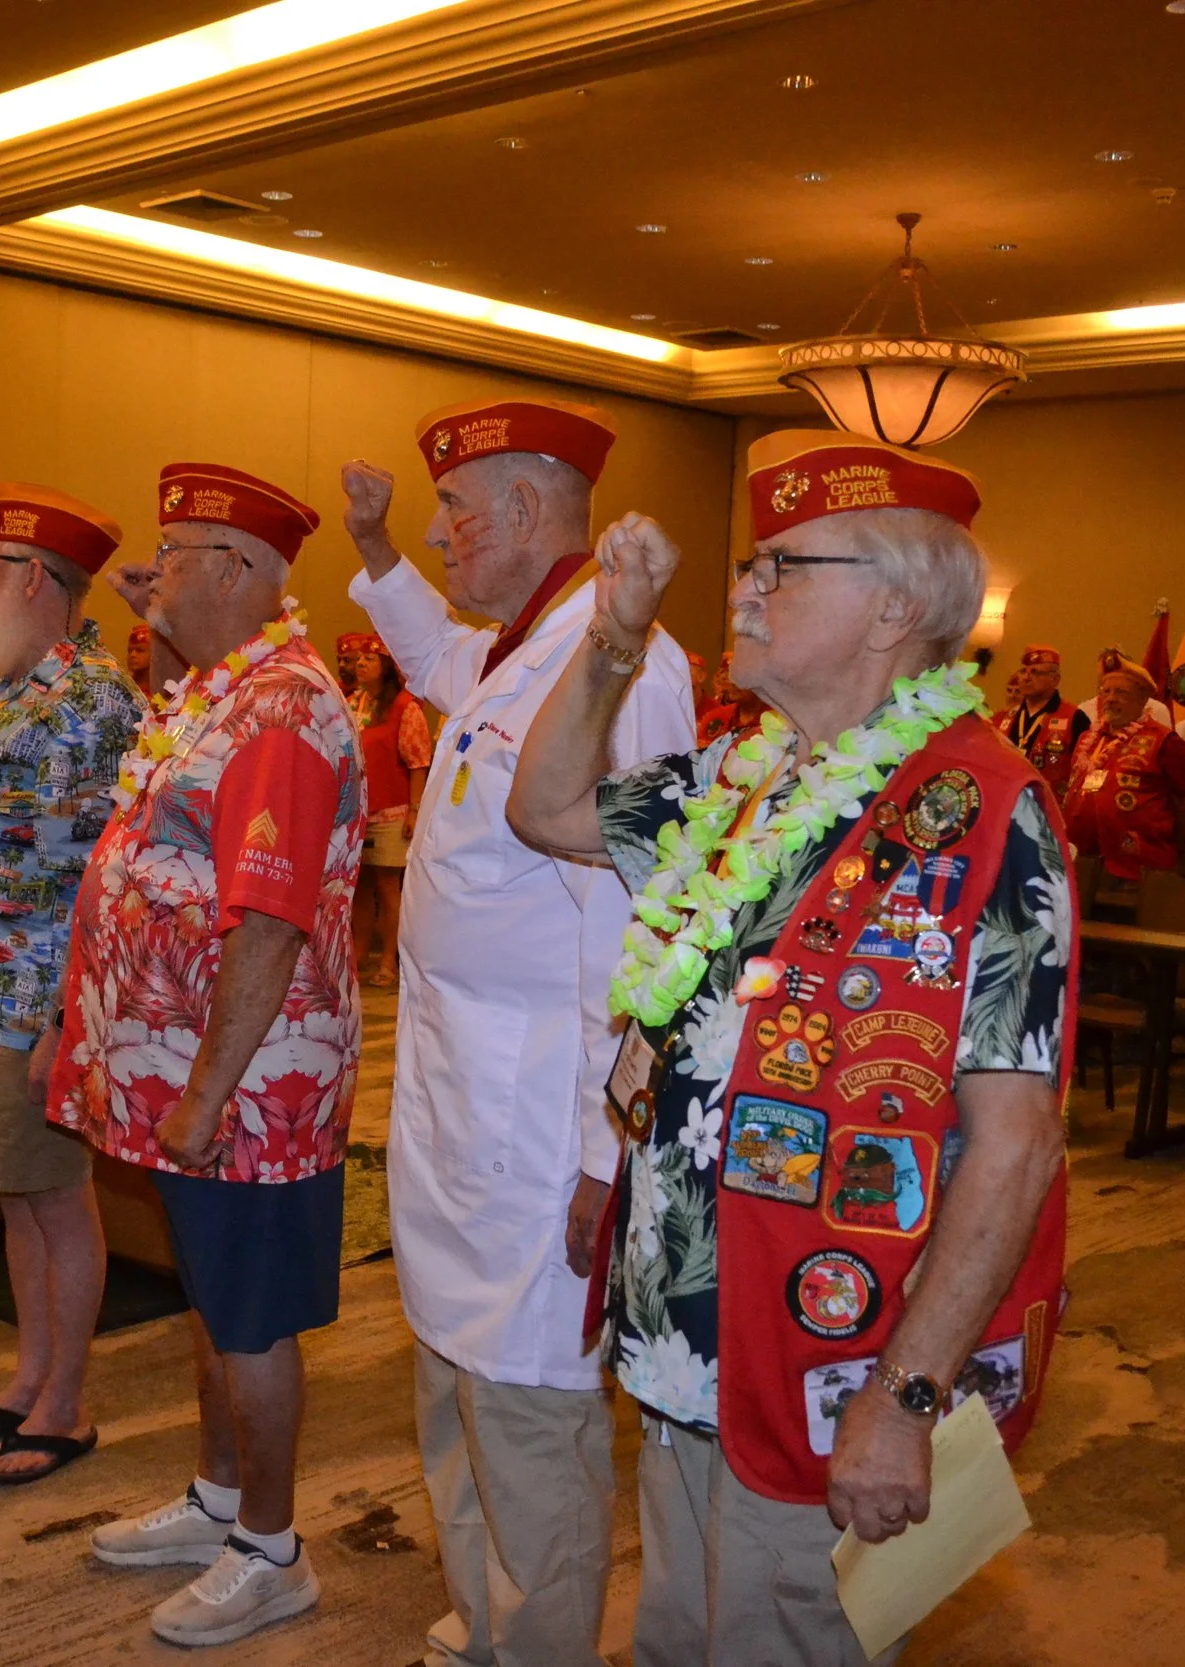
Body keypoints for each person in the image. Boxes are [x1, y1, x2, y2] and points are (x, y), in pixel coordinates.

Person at [506, 428, 1075, 1667]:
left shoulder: (982, 811)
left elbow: (1017, 1143)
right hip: (684, 1341)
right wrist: (611, 640)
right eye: (749, 565)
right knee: (678, 1637)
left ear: (893, 609)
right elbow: (543, 806)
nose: (743, 591)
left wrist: (906, 1395)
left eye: (782, 566)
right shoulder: (742, 775)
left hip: (831, 1359)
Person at [341, 397, 696, 1667]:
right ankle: (484, 1624)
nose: (440, 534)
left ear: (529, 509)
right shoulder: (517, 647)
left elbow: (644, 921)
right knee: (453, 1377)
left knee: (529, 1411)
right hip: (459, 1101)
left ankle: (538, 1641)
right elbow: (436, 658)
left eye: (453, 510)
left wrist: (609, 1147)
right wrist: (374, 548)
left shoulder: (628, 662)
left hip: (543, 1116)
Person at [60, 463, 362, 1649]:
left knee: (253, 1319)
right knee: (213, 1303)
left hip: (248, 1084)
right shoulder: (213, 693)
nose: (152, 572)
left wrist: (203, 1093)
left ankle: (272, 1549)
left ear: (236, 570)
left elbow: (270, 923)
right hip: (184, 1065)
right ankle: (218, 1498)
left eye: (174, 553)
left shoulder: (280, 712)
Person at [0, 472, 144, 1483]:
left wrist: (64, 1020)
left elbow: (104, 874)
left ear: (37, 582)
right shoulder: (19, 682)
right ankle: (28, 1375)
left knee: (55, 1196)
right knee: (14, 1195)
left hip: (33, 1002)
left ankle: (66, 1401)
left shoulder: (91, 701)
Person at [340, 631, 430, 991]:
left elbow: (418, 762)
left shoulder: (406, 707)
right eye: (358, 659)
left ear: (387, 666)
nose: (360, 664)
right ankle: (359, 954)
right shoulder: (353, 702)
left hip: (392, 811)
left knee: (388, 886)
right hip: (357, 811)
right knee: (359, 887)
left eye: (369, 658)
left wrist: (414, 810)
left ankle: (389, 960)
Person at [1063, 649, 1185, 882]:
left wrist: (1173, 844)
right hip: (1082, 864)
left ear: (1142, 699)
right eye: (1105, 691)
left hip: (1136, 868)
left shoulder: (1165, 741)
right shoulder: (1088, 739)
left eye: (1121, 692)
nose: (1110, 698)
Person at [993, 644, 1086, 797]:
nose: (1026, 678)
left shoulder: (1074, 718)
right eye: (1024, 671)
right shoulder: (1002, 718)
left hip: (1049, 804)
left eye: (1035, 672)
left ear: (1055, 679)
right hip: (1004, 799)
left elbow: (1082, 771)